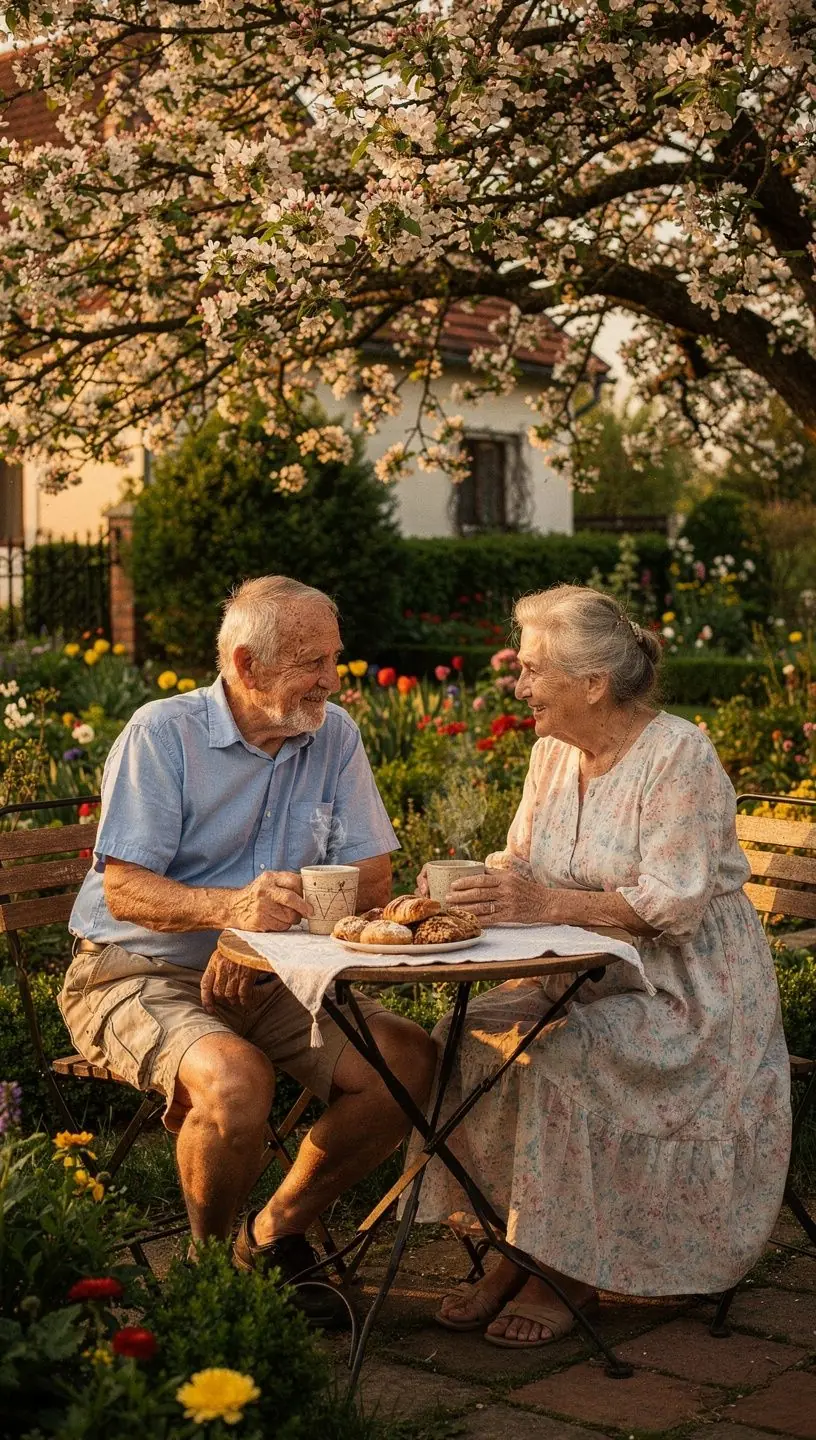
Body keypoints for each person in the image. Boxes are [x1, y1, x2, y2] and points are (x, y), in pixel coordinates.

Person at [415, 584, 791, 1349]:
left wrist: (543, 902)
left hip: (686, 995)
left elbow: (672, 905)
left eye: (531, 671)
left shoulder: (678, 754)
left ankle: (571, 1269)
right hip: (575, 977)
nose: (517, 686)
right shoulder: (551, 754)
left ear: (592, 682)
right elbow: (520, 862)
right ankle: (517, 1245)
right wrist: (466, 889)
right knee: (470, 1030)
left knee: (557, 1052)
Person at [61, 576, 436, 1305]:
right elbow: (125, 890)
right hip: (132, 969)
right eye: (311, 662)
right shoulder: (161, 734)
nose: (332, 679)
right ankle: (209, 1284)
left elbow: (371, 872)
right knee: (237, 1082)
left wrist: (259, 947)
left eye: (334, 657)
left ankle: (269, 1234)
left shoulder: (334, 735)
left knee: (408, 1061)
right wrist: (234, 912)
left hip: (271, 974)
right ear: (245, 664)